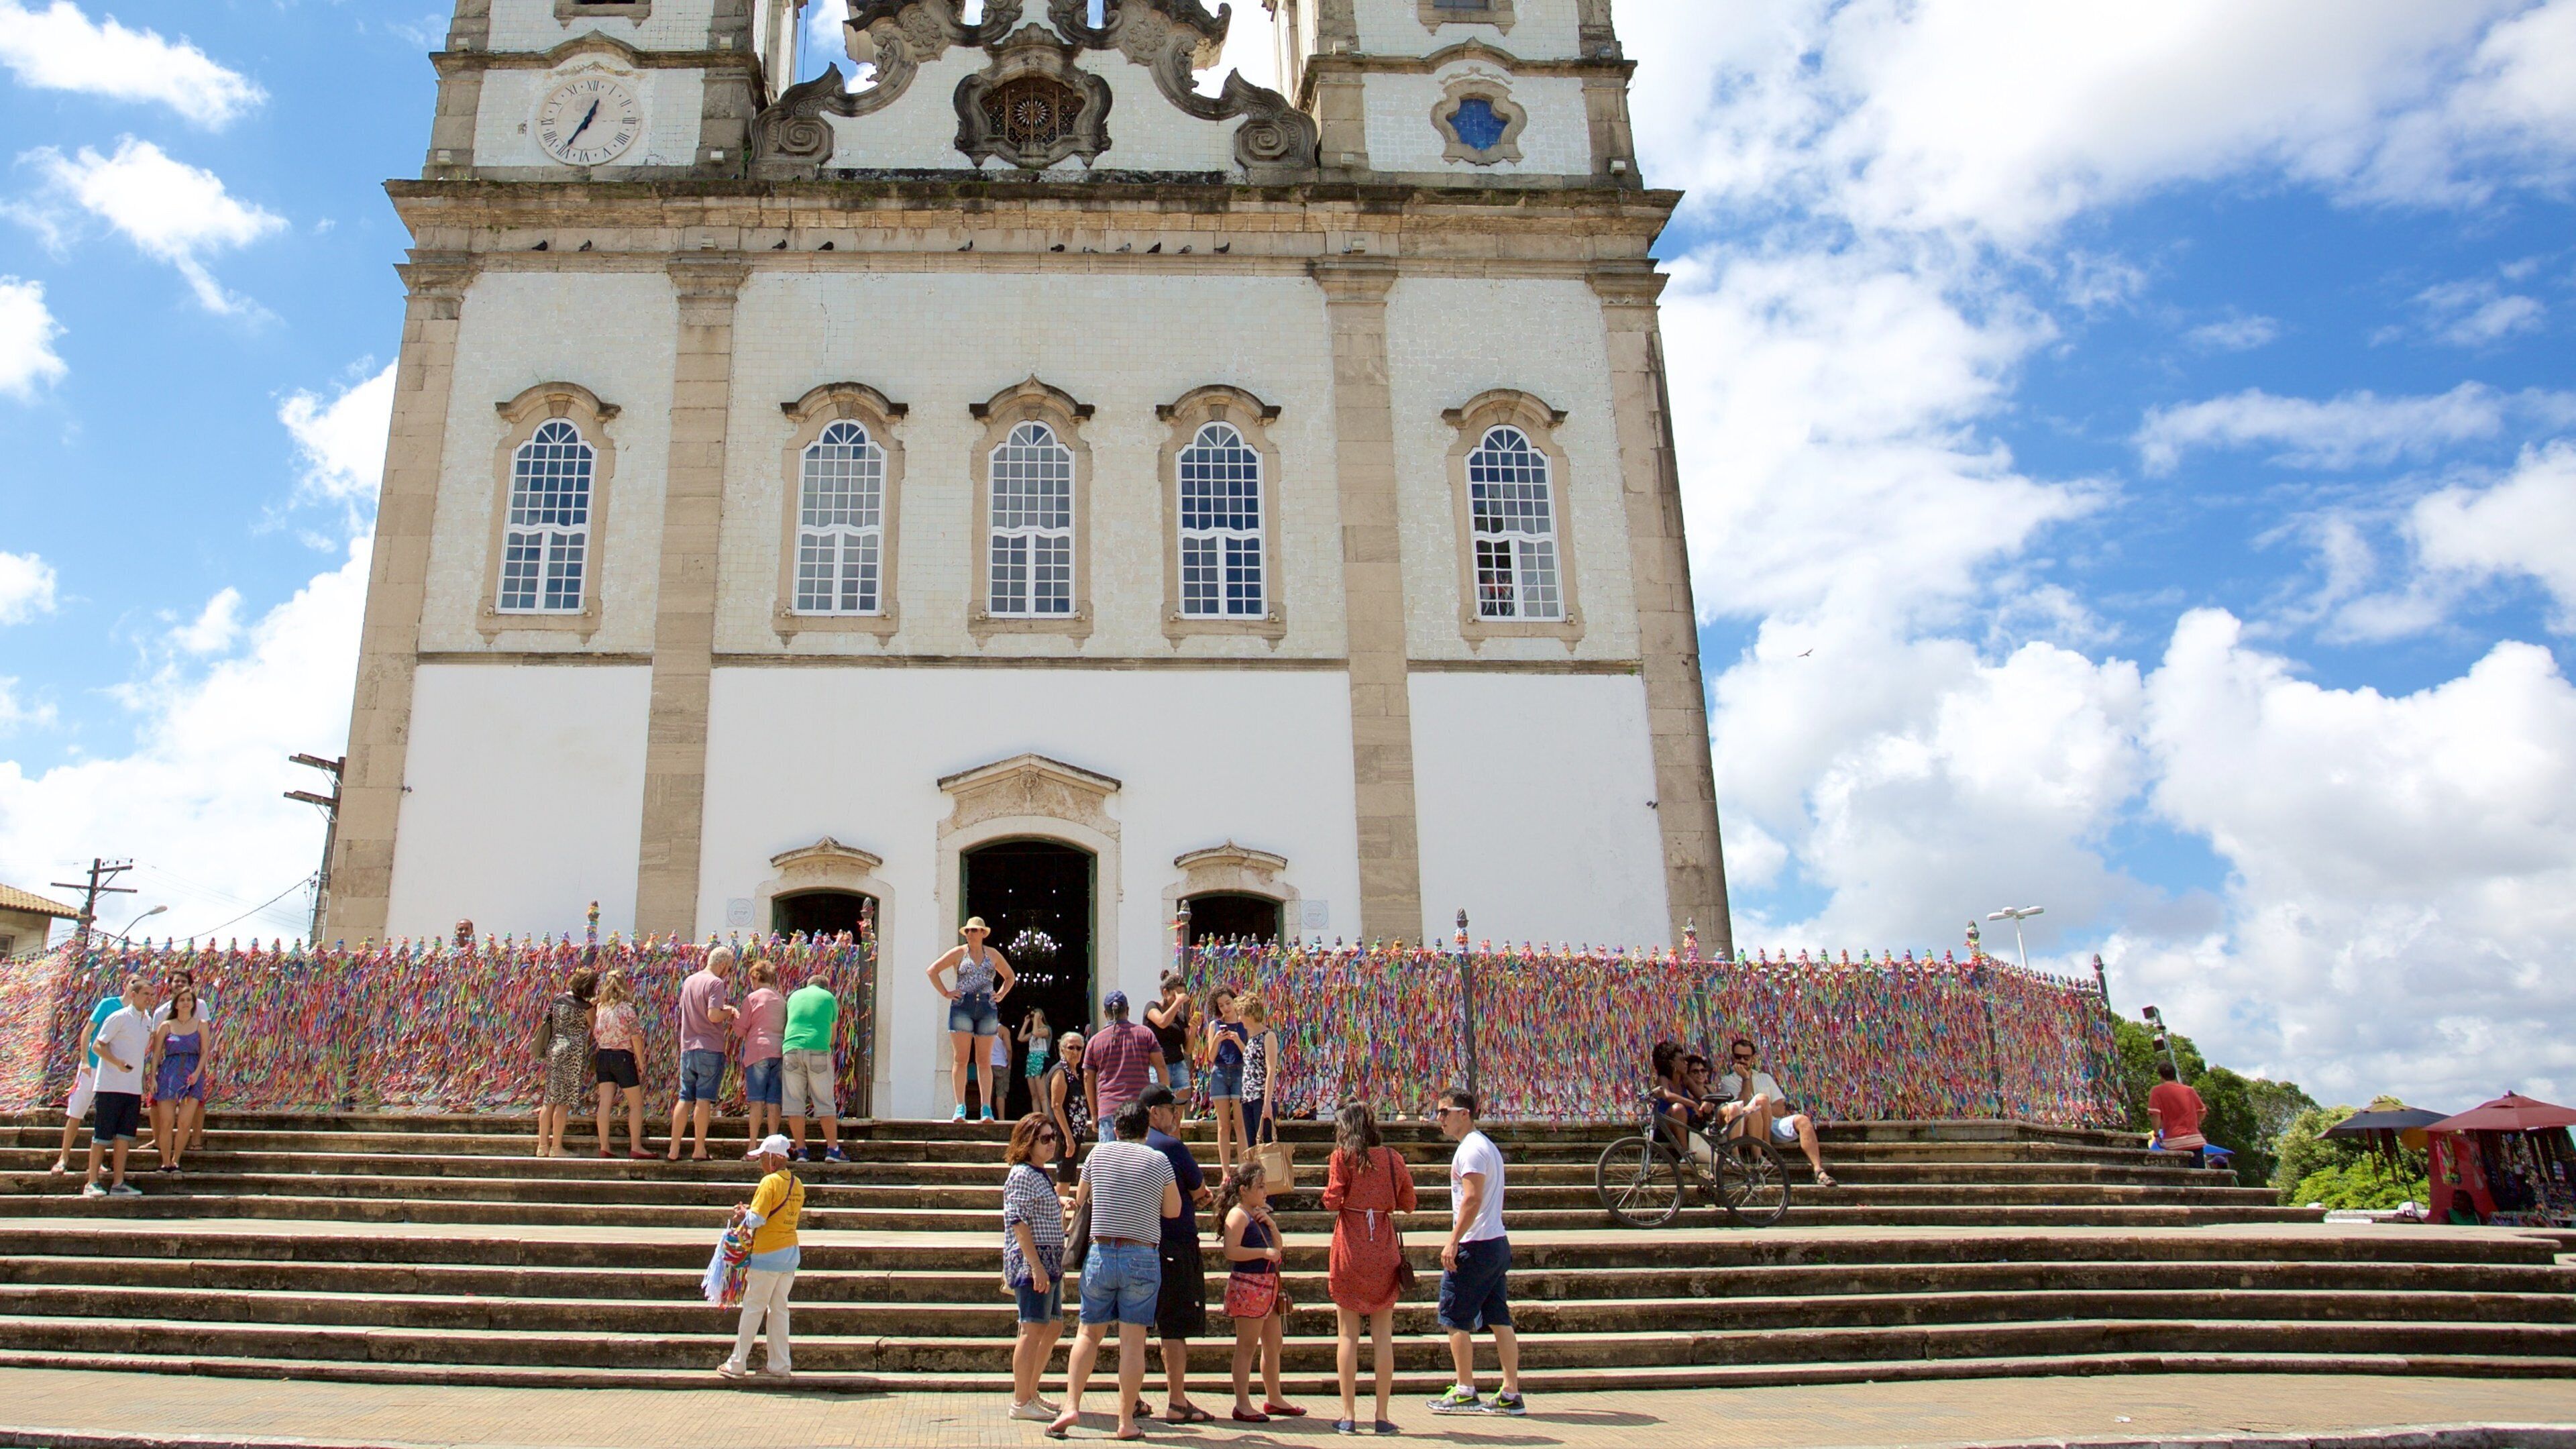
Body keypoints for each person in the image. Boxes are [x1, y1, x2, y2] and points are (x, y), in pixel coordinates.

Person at [1049, 1102, 1180, 1441]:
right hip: (1142, 1253)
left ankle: (1071, 1406)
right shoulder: (1159, 1161)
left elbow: (1082, 1200)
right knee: (1133, 1344)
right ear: (1146, 1130)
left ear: (1117, 1129)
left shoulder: (1097, 1155)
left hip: (1101, 1251)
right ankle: (1125, 1420)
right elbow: (1173, 1209)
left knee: (1087, 1334)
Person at [1428, 1087, 1523, 1417]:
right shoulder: (1485, 1147)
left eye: (1444, 1112)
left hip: (1477, 1244)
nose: (1439, 1119)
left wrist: (1453, 1239)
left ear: (1463, 1113)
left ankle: (1465, 1388)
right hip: (1495, 1242)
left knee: (1455, 1317)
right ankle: (1511, 1391)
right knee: (1498, 1317)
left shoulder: (1472, 1149)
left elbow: (1471, 1198)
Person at [1324, 1100, 1415, 1434]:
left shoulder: (1342, 1158)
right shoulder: (1393, 1158)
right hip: (1384, 1248)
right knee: (1383, 1337)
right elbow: (1409, 1204)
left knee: (1347, 1334)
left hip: (1351, 1244)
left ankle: (1348, 1414)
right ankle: (1382, 1415)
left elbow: (1331, 1200)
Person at [1140, 1085, 1214, 1425]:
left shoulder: (1128, 1146)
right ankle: (1177, 1400)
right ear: (1155, 1113)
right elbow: (1200, 1190)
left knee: (1134, 1326)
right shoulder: (1170, 1146)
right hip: (1175, 1245)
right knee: (1174, 1327)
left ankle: (1134, 1396)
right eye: (1172, 1109)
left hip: (1140, 1246)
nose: (1177, 1114)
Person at [718, 1132, 804, 1379]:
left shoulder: (769, 1182)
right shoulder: (796, 1184)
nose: (760, 1163)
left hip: (767, 1254)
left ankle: (737, 1363)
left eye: (762, 1157)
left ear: (773, 1159)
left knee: (753, 1308)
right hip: (789, 1254)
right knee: (779, 1311)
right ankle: (780, 1365)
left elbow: (757, 1220)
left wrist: (743, 1214)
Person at [1218, 1159, 1295, 1424]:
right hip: (1249, 1287)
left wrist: (1271, 1225)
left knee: (1274, 1344)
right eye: (1260, 1186)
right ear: (1243, 1190)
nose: (1265, 1191)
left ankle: (1274, 1397)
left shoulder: (1258, 1212)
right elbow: (1231, 1250)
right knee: (1247, 1347)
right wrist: (1264, 1252)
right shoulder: (1238, 1214)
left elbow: (1279, 1247)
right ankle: (1242, 1404)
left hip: (1267, 1287)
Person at [1003, 1114, 1069, 1422]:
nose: (1051, 1143)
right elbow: (1018, 1222)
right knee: (1031, 1329)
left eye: (1053, 1137)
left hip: (1051, 1261)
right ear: (1027, 1143)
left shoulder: (1040, 1173)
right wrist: (1035, 1266)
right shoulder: (1022, 1175)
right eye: (1044, 1139)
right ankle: (1020, 1400)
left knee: (1052, 1325)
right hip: (1035, 1263)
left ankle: (1030, 1390)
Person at [926, 917, 1016, 1121]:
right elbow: (932, 970)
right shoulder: (959, 953)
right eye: (968, 930)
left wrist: (1000, 994)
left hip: (986, 1006)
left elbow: (1010, 976)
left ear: (983, 933)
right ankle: (960, 1107)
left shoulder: (992, 954)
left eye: (975, 930)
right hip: (963, 1005)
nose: (971, 934)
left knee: (984, 1060)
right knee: (961, 1058)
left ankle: (986, 1108)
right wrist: (946, 992)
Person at [1717, 1037, 1836, 1186]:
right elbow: (1739, 1108)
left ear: (1753, 1058)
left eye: (1746, 1057)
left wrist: (1764, 1110)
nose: (1742, 1060)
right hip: (1747, 1126)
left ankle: (1819, 1171)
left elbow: (1780, 1108)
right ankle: (1767, 1150)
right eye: (1738, 1057)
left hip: (1771, 1123)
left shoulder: (1765, 1078)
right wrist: (1746, 1080)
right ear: (1732, 1057)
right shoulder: (1727, 1081)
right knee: (1761, 1100)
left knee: (1803, 1120)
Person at [52, 971, 139, 1175]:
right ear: (125, 985)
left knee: (105, 1117)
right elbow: (88, 1031)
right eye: (133, 983)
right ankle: (63, 1156)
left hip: (115, 1071)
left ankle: (97, 1160)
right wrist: (83, 1059)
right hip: (93, 1065)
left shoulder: (137, 1013)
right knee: (76, 1112)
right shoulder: (108, 1004)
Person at [80, 979, 160, 1198]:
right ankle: (92, 1181)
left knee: (125, 1136)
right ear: (133, 994)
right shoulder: (118, 1017)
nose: (149, 998)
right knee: (102, 1135)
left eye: (151, 994)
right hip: (110, 1086)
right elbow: (97, 1045)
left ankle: (118, 1183)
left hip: (133, 1089)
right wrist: (117, 1063)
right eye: (145, 993)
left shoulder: (148, 1021)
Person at [669, 947, 739, 1162]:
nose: (728, 972)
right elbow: (713, 1016)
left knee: (684, 1097)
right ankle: (699, 1149)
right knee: (703, 1099)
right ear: (722, 964)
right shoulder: (716, 983)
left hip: (688, 1047)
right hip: (709, 1047)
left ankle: (673, 1149)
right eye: (728, 968)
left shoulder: (690, 981)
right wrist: (730, 1012)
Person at [144, 971, 216, 1174]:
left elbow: (204, 1052)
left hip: (192, 1074)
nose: (185, 1003)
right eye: (182, 1000)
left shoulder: (201, 1025)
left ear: (194, 1004)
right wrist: (152, 1080)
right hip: (169, 1074)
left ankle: (176, 1160)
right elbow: (156, 1054)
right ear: (175, 1004)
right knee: (167, 1121)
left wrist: (197, 1073)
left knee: (185, 1123)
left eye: (189, 1000)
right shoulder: (166, 1025)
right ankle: (165, 1161)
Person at [781, 967, 845, 1163]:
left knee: (794, 1101)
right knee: (824, 1100)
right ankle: (833, 1150)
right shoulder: (829, 998)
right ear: (825, 987)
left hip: (791, 1049)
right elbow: (833, 1035)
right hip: (818, 1048)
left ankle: (801, 1151)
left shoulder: (793, 997)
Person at [534, 968, 596, 1159]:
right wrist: (594, 1006)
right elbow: (595, 1029)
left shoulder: (558, 999)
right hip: (572, 1054)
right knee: (563, 1102)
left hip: (555, 1048)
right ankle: (557, 1147)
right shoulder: (586, 1008)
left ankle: (542, 1146)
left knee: (549, 1099)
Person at [1085, 991, 1163, 1141]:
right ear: (1127, 1010)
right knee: (1138, 1161)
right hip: (1138, 1109)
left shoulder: (1095, 1042)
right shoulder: (1145, 1034)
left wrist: (1094, 1114)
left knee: (1110, 1162)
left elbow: (1088, 1079)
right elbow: (1161, 1068)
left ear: (1105, 1013)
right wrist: (1161, 1103)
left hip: (1108, 1109)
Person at [592, 969, 652, 1159]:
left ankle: (605, 1146)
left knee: (605, 1103)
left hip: (602, 1056)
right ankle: (636, 1146)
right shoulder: (627, 1008)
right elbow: (636, 1036)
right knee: (636, 1104)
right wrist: (641, 1061)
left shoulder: (601, 1008)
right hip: (622, 1057)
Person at [737, 959, 788, 1156]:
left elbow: (741, 1030)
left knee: (757, 1101)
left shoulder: (752, 998)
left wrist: (733, 1015)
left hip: (758, 1051)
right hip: (779, 1051)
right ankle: (773, 1148)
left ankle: (752, 1146)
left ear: (756, 977)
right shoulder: (781, 999)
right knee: (774, 1101)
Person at [1204, 988, 1248, 1174]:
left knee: (1240, 1124)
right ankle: (1225, 1172)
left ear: (1234, 1001)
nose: (1226, 1008)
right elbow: (1211, 1057)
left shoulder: (1243, 1023)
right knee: (1223, 1126)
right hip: (1220, 1072)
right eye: (1221, 1006)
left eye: (1228, 1003)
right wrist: (1216, 1040)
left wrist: (1237, 1040)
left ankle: (1242, 1168)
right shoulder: (1215, 1025)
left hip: (1239, 1070)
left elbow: (1249, 1054)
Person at [1042, 1031, 1089, 1185]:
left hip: (1074, 1134)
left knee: (1067, 1177)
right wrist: (1069, 1139)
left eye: (1079, 1048)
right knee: (1063, 1179)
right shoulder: (1060, 1072)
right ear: (1062, 1049)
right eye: (1071, 1048)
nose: (1075, 1052)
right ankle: (1059, 1209)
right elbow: (1057, 1106)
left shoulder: (1073, 1071)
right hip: (1064, 1134)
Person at [1145, 973, 1197, 1106]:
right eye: (1175, 995)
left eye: (1181, 996)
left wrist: (1194, 1029)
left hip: (1178, 1065)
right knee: (1160, 1107)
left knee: (1177, 1114)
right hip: (1158, 1067)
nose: (1178, 999)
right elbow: (1162, 1022)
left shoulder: (1180, 1017)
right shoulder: (1152, 1007)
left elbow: (1188, 1049)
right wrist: (1178, 1002)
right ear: (1165, 992)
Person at [1238, 996, 1281, 1155]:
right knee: (1253, 1146)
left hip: (1261, 1096)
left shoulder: (1268, 1036)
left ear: (1249, 1015)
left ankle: (1271, 1179)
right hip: (1248, 1097)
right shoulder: (1250, 1038)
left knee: (1266, 1145)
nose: (1239, 1018)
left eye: (1241, 1014)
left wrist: (1267, 1102)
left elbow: (1271, 1070)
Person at [2147, 1061, 2209, 1166]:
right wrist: (2196, 1123)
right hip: (2194, 1140)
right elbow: (2202, 1111)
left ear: (2161, 1076)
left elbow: (2155, 1115)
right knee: (2199, 1177)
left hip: (2173, 1142)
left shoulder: (2157, 1091)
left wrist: (2157, 1134)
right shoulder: (2189, 1090)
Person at [1020, 1006, 1055, 1081]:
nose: (1033, 1018)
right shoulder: (1033, 1031)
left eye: (1034, 1016)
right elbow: (1021, 1038)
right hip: (1031, 1059)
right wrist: (1026, 1023)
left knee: (1041, 1092)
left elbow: (1036, 1033)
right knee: (1034, 1092)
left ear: (1041, 1016)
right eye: (1032, 1016)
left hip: (1040, 1058)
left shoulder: (1047, 1029)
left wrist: (1036, 1019)